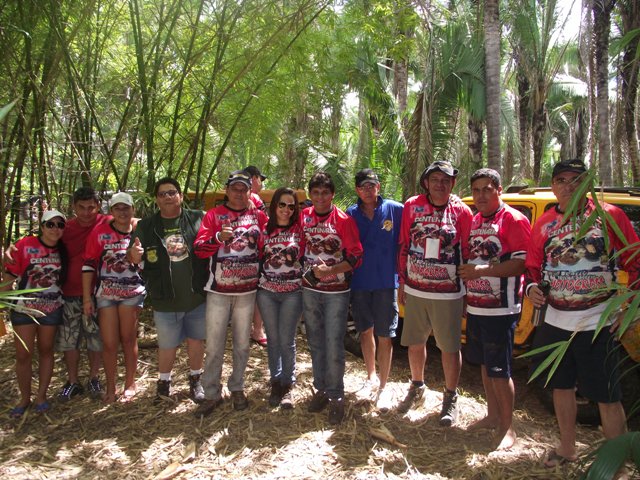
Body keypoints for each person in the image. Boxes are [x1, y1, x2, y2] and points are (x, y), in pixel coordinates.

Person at [525, 159, 639, 467]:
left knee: (607, 396)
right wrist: (531, 288)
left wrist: (626, 309)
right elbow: (533, 268)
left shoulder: (608, 215)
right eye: (561, 180)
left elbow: (635, 262)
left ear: (587, 184)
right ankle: (567, 449)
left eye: (576, 180)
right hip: (554, 323)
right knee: (561, 388)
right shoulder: (544, 223)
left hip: (597, 322)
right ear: (553, 185)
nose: (568, 186)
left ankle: (615, 465)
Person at [458, 169, 531, 450]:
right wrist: (468, 294)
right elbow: (470, 264)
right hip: (477, 307)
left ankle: (507, 426)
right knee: (487, 367)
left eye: (486, 189)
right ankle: (491, 415)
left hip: (502, 309)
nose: (480, 195)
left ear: (499, 190)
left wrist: (483, 271)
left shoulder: (512, 219)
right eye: (476, 190)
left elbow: (521, 263)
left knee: (501, 371)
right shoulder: (475, 220)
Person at [397, 160, 472, 426]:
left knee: (449, 347)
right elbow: (405, 243)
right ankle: (417, 386)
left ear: (452, 183)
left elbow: (467, 251)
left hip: (448, 293)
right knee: (415, 342)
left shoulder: (462, 211)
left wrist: (465, 293)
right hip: (416, 288)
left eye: (446, 180)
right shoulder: (412, 206)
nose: (440, 184)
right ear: (426, 182)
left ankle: (450, 397)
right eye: (435, 179)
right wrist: (402, 283)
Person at [192, 170, 268, 417]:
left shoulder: (258, 216)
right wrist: (217, 237)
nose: (239, 193)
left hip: (247, 290)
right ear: (227, 190)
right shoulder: (214, 215)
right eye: (234, 188)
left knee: (242, 343)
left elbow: (269, 243)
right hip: (219, 290)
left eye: (243, 189)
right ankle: (211, 392)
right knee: (214, 344)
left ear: (250, 191)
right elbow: (200, 249)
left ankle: (237, 387)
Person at [127, 178, 208, 403]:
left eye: (172, 192)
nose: (167, 197)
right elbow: (132, 254)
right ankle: (163, 384)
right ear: (156, 199)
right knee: (166, 345)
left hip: (195, 295)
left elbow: (220, 225)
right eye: (162, 194)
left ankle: (196, 380)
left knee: (196, 341)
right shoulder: (147, 226)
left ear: (181, 196)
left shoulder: (197, 218)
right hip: (164, 296)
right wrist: (134, 255)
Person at [301, 171, 363, 425]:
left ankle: (337, 395)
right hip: (310, 289)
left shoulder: (343, 220)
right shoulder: (304, 217)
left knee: (334, 343)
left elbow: (356, 256)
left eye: (325, 192)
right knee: (315, 341)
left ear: (332, 194)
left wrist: (331, 271)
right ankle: (321, 389)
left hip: (337, 292)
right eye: (315, 193)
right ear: (310, 195)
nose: (320, 197)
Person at [346, 169, 403, 412]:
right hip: (359, 282)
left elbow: (409, 235)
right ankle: (370, 375)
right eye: (363, 187)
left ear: (378, 187)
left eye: (372, 185)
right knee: (365, 332)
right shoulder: (351, 213)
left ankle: (384, 384)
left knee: (386, 335)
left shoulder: (395, 209)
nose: (368, 190)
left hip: (386, 283)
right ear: (357, 190)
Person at [3, 210, 67, 417]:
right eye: (50, 224)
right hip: (24, 308)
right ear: (42, 226)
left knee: (46, 350)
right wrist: (6, 301)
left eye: (60, 225)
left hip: (52, 307)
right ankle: (24, 398)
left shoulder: (64, 249)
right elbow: (8, 276)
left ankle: (41, 396)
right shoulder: (25, 245)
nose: (55, 229)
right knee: (24, 353)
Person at [82, 192, 145, 403]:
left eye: (126, 208)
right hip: (106, 294)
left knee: (128, 338)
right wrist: (87, 299)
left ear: (133, 210)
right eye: (117, 208)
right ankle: (110, 386)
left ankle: (130, 383)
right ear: (111, 212)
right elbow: (89, 264)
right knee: (109, 343)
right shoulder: (100, 233)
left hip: (132, 293)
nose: (122, 212)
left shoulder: (140, 231)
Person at [53, 187, 111, 400]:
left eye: (91, 208)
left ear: (98, 206)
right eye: (81, 208)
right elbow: (42, 242)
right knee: (70, 339)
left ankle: (95, 378)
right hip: (68, 292)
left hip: (97, 292)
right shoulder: (64, 228)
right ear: (74, 207)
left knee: (95, 338)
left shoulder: (106, 222)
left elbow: (132, 220)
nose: (87, 213)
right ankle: (72, 381)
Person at [257, 187, 305, 409]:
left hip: (292, 293)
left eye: (291, 206)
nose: (286, 210)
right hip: (266, 291)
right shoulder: (264, 229)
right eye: (282, 204)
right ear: (275, 205)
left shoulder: (300, 230)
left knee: (287, 340)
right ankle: (276, 381)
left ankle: (288, 384)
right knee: (273, 339)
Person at [244, 165, 268, 347]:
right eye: (260, 178)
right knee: (258, 290)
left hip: (245, 251)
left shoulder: (241, 197)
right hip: (254, 250)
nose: (261, 183)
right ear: (253, 178)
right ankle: (257, 329)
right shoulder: (254, 197)